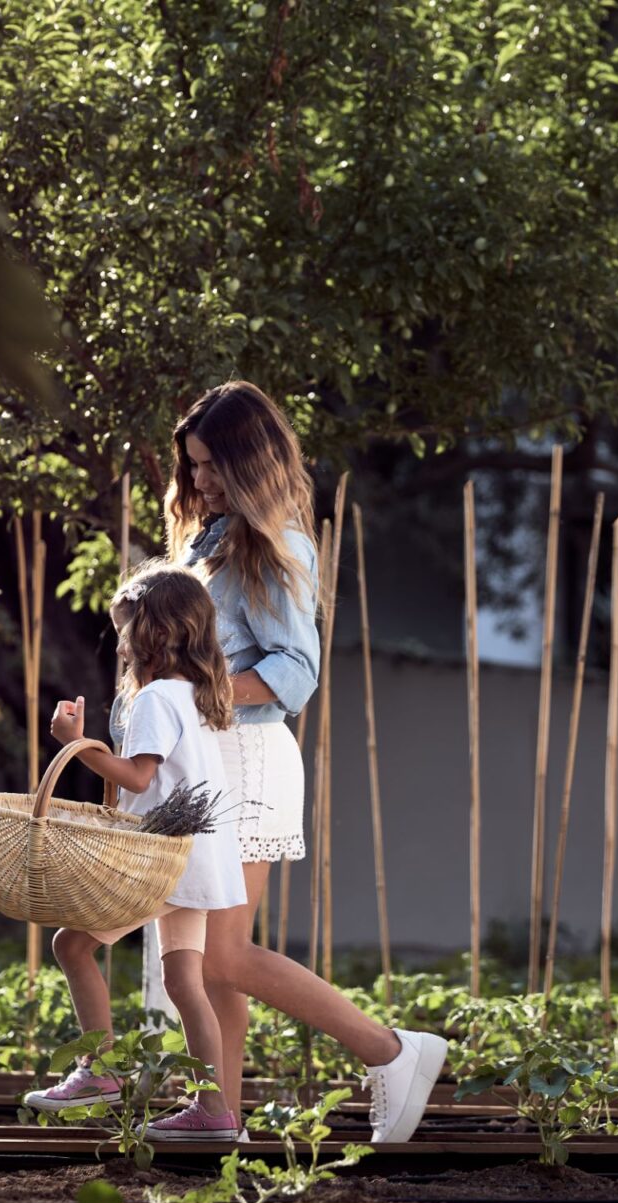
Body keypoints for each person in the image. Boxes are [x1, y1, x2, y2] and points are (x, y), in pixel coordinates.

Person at [168, 379, 447, 1144]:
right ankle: (218, 1114)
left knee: (221, 955)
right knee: (203, 959)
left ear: (249, 462)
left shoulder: (273, 543)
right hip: (208, 760)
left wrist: (196, 698)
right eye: (191, 466)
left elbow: (296, 669)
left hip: (246, 757)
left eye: (212, 466)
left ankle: (392, 1051)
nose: (198, 481)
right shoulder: (210, 538)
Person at [22, 563, 248, 1141]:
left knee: (70, 945)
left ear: (152, 632)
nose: (120, 644)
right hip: (197, 855)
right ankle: (216, 1113)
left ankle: (98, 1072)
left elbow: (140, 778)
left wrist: (78, 745)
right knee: (184, 985)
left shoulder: (153, 700)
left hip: (161, 862)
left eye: (124, 630)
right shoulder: (200, 696)